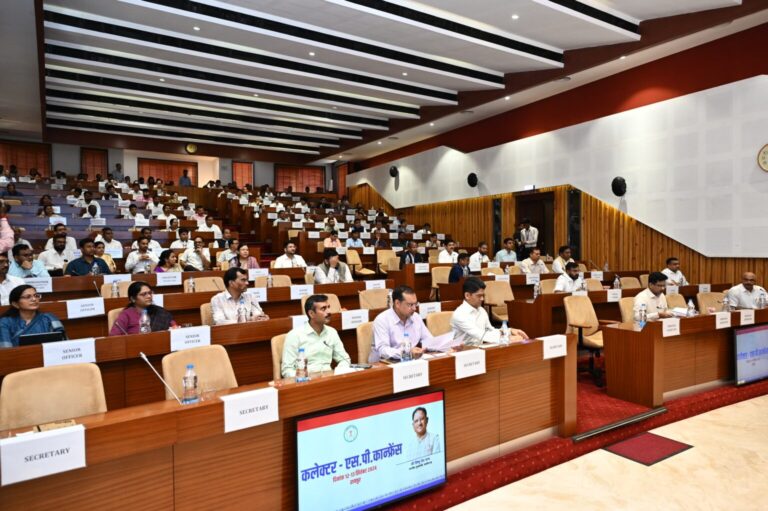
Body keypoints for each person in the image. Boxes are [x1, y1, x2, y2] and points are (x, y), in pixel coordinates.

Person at [280, 294, 351, 378]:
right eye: (323, 309)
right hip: (306, 381)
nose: (329, 311)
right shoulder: (295, 335)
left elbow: (344, 359)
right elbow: (287, 370)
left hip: (329, 378)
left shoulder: (332, 332)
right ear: (311, 314)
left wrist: (338, 371)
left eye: (328, 307)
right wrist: (305, 376)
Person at [451, 277, 527, 346]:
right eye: (479, 296)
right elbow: (480, 335)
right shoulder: (459, 314)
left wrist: (509, 331)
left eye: (483, 295)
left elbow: (490, 330)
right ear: (467, 295)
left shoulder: (481, 310)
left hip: (479, 348)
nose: (482, 299)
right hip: (463, 352)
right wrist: (507, 339)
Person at [370, 285, 434, 362]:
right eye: (410, 305)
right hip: (385, 364)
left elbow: (429, 340)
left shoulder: (416, 317)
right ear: (397, 303)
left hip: (409, 362)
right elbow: (383, 351)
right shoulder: (382, 320)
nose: (414, 308)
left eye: (415, 304)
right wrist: (406, 353)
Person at [0, 285, 67, 348]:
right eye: (27, 297)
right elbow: (6, 350)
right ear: (15, 304)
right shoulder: (5, 322)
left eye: (36, 295)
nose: (34, 299)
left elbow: (65, 344)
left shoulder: (49, 318)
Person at [109, 282, 176, 335]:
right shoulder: (126, 314)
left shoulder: (160, 312)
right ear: (133, 299)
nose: (149, 296)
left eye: (150, 293)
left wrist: (174, 329)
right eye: (144, 294)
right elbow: (114, 337)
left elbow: (174, 327)